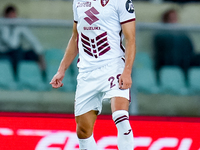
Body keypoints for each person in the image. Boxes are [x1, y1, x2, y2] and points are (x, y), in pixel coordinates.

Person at [50, 0, 136, 149]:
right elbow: (75, 36)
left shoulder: (121, 1)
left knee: (120, 116)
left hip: (113, 65)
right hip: (87, 71)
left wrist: (127, 71)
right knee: (83, 131)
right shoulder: (78, 1)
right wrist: (61, 69)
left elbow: (130, 38)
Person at [153, 9, 200, 86]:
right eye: (171, 19)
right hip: (171, 60)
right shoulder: (160, 35)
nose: (173, 21)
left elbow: (191, 48)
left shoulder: (183, 34)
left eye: (175, 18)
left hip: (187, 58)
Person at [0, 5, 46, 81]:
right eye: (11, 16)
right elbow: (11, 43)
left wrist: (40, 52)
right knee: (17, 52)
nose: (13, 18)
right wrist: (16, 29)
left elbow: (31, 39)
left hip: (16, 51)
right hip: (4, 53)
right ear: (6, 15)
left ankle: (43, 75)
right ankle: (15, 78)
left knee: (33, 53)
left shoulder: (18, 23)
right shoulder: (2, 24)